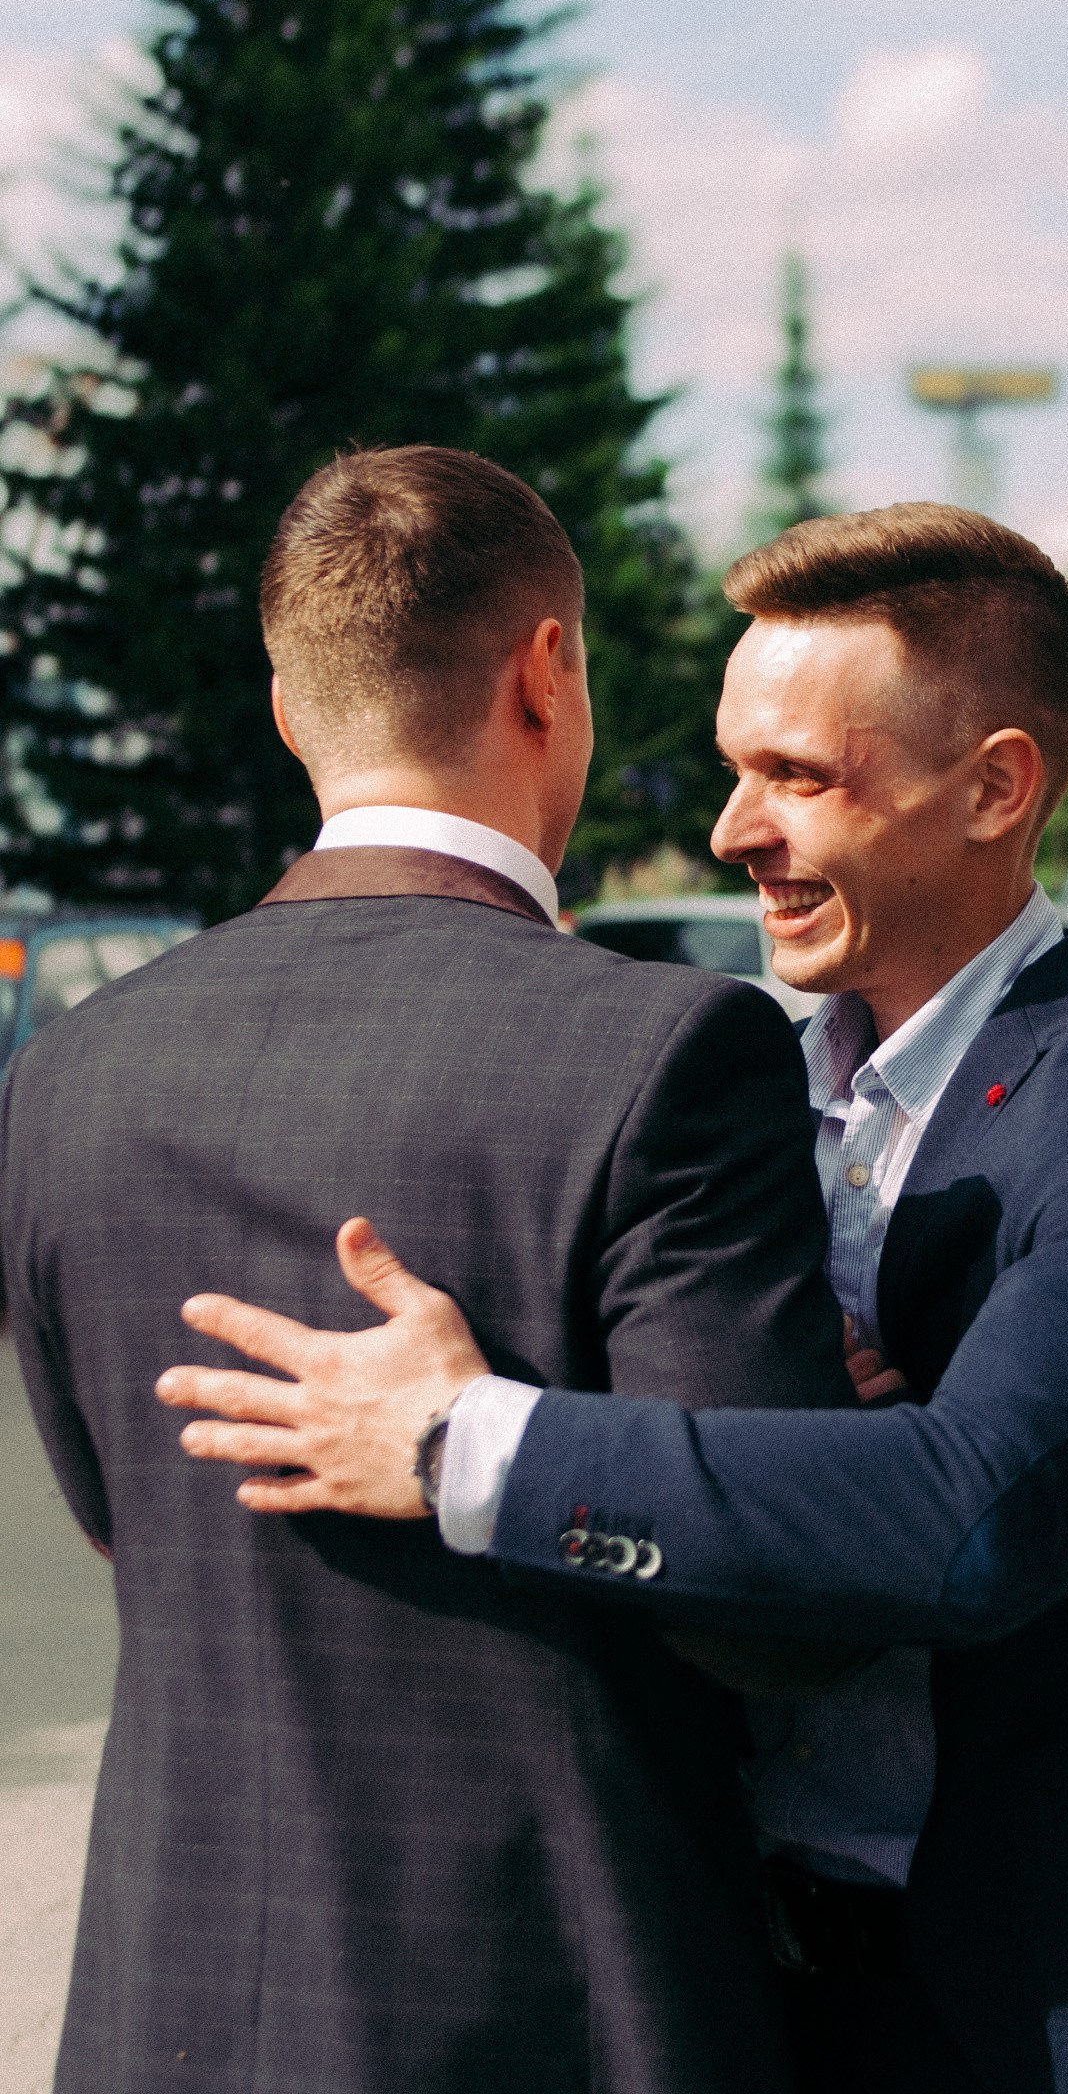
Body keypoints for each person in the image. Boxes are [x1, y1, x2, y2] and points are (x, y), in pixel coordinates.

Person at [159, 503, 1068, 2094]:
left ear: (996, 787)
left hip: (1029, 2003)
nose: (731, 831)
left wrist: (464, 1445)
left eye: (801, 778)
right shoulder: (716, 1092)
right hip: (712, 1987)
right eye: (733, 768)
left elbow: (966, 1528)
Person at [1, 447, 857, 2091]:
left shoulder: (68, 1074)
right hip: (554, 2001)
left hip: (163, 2012)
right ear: (547, 673)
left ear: (285, 704)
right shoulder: (668, 1054)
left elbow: (133, 1525)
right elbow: (779, 1622)